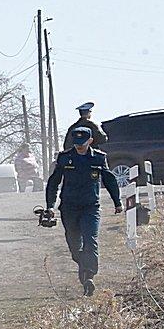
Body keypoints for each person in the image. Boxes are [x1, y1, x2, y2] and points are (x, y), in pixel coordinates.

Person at [45, 126, 123, 296]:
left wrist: (117, 202)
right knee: (74, 246)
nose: (79, 146)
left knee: (91, 239)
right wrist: (50, 205)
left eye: (82, 143)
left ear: (90, 141)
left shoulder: (99, 158)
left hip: (90, 207)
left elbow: (109, 180)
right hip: (69, 207)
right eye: (76, 143)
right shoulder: (65, 158)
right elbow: (54, 182)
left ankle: (89, 277)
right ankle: (83, 265)